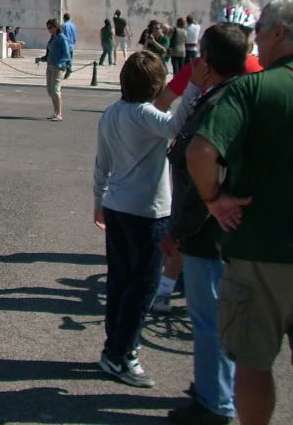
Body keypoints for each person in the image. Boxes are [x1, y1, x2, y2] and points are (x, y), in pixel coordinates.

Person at [185, 0, 293, 425]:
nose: (255, 45)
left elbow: (200, 151)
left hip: (259, 250)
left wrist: (214, 200)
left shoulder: (253, 88)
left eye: (260, 35)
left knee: (253, 363)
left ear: (280, 33)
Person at [94, 51, 202, 388]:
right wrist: (194, 87)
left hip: (117, 204)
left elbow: (101, 162)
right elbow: (176, 125)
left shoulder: (112, 113)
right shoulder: (145, 115)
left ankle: (117, 345)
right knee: (144, 286)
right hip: (147, 211)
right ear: (157, 85)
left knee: (120, 280)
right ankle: (120, 352)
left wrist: (97, 200)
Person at [159, 24, 248, 425]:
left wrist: (178, 230)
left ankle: (216, 402)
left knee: (209, 320)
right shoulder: (232, 97)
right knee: (213, 318)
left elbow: (197, 168)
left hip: (206, 234)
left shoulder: (220, 104)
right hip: (218, 231)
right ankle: (214, 390)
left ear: (207, 61)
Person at [37, 18, 70, 121]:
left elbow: (66, 54)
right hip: (50, 66)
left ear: (56, 27)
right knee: (50, 90)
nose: (49, 30)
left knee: (55, 90)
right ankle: (55, 112)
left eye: (50, 27)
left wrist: (59, 64)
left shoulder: (61, 38)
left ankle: (59, 114)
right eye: (48, 28)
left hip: (58, 67)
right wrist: (41, 59)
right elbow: (49, 53)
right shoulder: (53, 38)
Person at [61, 13, 77, 78]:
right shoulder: (73, 26)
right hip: (71, 45)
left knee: (64, 58)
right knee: (70, 58)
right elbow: (75, 36)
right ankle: (68, 69)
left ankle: (67, 69)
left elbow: (61, 35)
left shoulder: (63, 25)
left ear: (64, 18)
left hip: (65, 44)